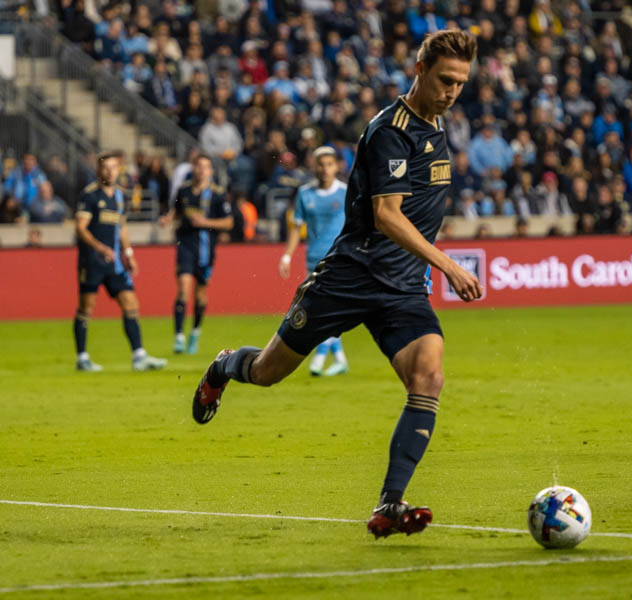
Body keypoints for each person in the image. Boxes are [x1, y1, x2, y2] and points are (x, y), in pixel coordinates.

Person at [191, 29, 482, 539]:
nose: (453, 91)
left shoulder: (438, 128)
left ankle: (390, 504)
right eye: (445, 80)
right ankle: (224, 366)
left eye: (461, 82)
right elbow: (388, 215)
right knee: (267, 372)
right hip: (349, 276)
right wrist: (449, 265)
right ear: (419, 69)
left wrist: (422, 268)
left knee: (429, 378)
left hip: (401, 287)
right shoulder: (389, 131)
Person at [73, 152, 167, 372]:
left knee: (131, 303)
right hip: (92, 261)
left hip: (115, 263)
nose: (110, 171)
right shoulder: (90, 196)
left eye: (114, 167)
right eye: (105, 167)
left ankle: (139, 356)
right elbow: (80, 228)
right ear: (98, 170)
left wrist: (129, 253)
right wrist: (100, 247)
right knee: (87, 307)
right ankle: (82, 357)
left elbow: (121, 227)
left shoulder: (119, 196)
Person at [279, 146, 350, 377]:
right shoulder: (304, 194)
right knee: (325, 310)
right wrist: (287, 255)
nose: (325, 169)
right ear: (314, 166)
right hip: (313, 261)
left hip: (340, 260)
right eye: (321, 164)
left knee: (328, 309)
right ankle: (339, 359)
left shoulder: (346, 192)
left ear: (336, 166)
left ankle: (319, 358)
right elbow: (295, 227)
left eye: (330, 164)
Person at [160, 153, 234, 355]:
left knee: (200, 295)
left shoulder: (217, 194)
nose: (202, 170)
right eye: (198, 166)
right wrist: (168, 219)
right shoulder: (183, 190)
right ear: (194, 169)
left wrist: (206, 223)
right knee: (183, 289)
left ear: (210, 171)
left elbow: (229, 223)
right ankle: (178, 337)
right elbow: (175, 210)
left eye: (206, 167)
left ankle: (195, 332)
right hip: (185, 245)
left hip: (206, 249)